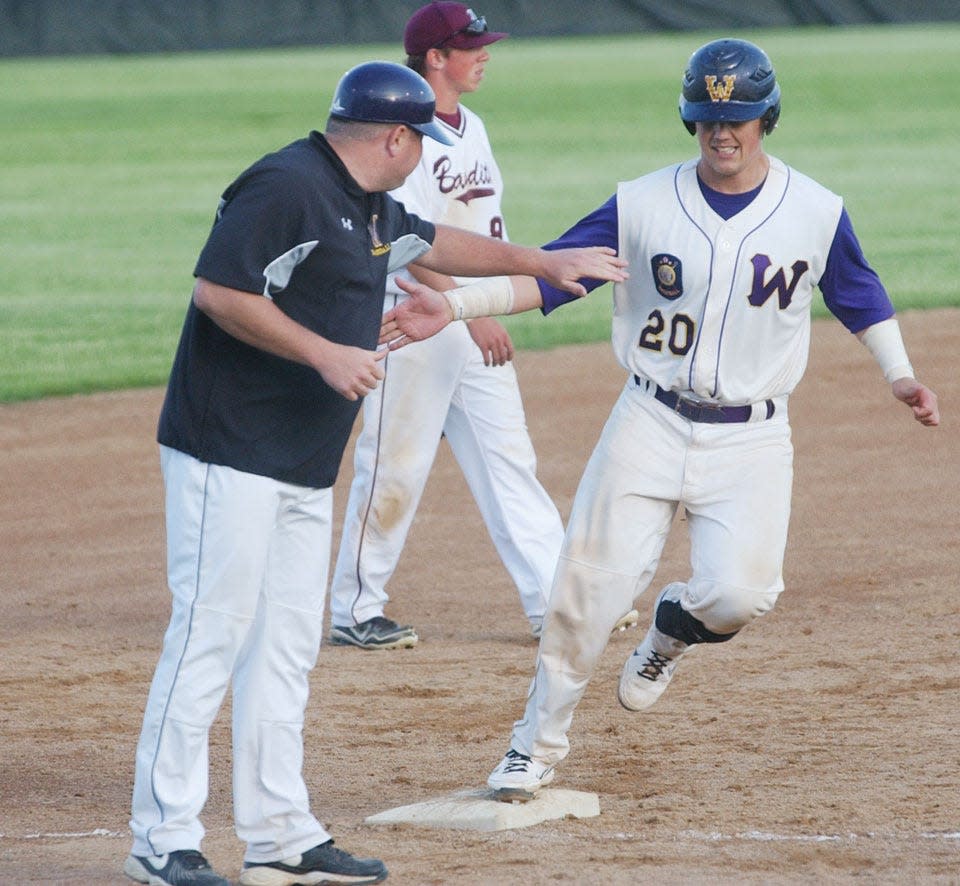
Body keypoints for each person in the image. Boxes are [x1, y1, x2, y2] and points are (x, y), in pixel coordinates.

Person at [379, 37, 941, 801]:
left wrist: (900, 374)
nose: (722, 131)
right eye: (707, 116)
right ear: (690, 120)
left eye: (737, 117)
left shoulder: (814, 210)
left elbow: (859, 294)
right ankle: (533, 747)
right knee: (582, 596)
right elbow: (551, 277)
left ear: (766, 118)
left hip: (754, 436)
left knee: (742, 595)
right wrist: (452, 304)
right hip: (649, 421)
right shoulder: (642, 203)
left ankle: (672, 628)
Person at [124, 60, 626, 886]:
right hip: (229, 451)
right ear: (394, 137)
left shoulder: (363, 201)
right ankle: (161, 839)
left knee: (284, 648)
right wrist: (324, 352)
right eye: (419, 141)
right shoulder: (286, 184)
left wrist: (539, 260)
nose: (423, 154)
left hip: (299, 459)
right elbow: (219, 291)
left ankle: (280, 834)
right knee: (209, 635)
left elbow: (435, 243)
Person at [329, 2, 637, 651]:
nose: (484, 54)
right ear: (434, 57)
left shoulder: (474, 126)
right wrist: (473, 317)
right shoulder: (400, 134)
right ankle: (355, 610)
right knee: (394, 466)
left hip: (470, 315)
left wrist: (482, 308)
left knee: (510, 462)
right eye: (471, 46)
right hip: (409, 316)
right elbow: (404, 240)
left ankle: (554, 604)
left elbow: (479, 228)